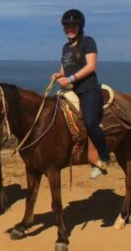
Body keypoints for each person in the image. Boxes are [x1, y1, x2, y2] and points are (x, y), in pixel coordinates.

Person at [51, 9, 110, 179]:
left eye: (73, 26)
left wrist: (70, 78)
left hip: (88, 90)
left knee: (91, 123)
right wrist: (58, 74)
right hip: (70, 90)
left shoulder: (87, 41)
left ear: (80, 26)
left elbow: (91, 66)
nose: (70, 29)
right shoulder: (65, 47)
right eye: (67, 26)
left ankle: (104, 156)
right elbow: (64, 68)